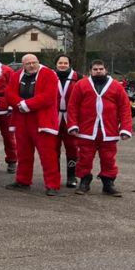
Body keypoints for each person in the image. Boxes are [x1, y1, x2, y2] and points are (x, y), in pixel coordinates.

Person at [67, 59, 133, 196]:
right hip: (86, 129)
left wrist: (125, 128)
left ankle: (108, 183)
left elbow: (125, 108)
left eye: (101, 69)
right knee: (84, 157)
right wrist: (73, 125)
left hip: (108, 130)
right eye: (95, 69)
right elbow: (72, 106)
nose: (98, 71)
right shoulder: (81, 85)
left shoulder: (116, 86)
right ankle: (84, 181)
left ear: (106, 70)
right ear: (90, 71)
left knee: (108, 158)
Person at [4, 54, 62, 196]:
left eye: (34, 62)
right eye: (28, 63)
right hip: (22, 118)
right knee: (23, 152)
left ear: (38, 62)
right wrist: (20, 104)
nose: (31, 65)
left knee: (47, 154)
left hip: (42, 119)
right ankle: (22, 181)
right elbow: (9, 93)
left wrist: (26, 104)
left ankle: (52, 184)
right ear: (23, 64)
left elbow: (49, 96)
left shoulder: (49, 74)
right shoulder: (16, 75)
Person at [54, 54, 80, 188]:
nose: (62, 65)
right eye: (60, 63)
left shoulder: (79, 78)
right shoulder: (50, 77)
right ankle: (55, 177)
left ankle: (71, 176)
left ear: (69, 64)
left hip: (71, 118)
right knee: (53, 148)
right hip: (54, 117)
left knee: (72, 148)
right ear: (56, 64)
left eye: (65, 63)